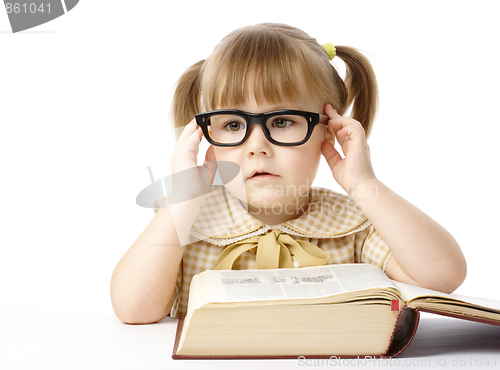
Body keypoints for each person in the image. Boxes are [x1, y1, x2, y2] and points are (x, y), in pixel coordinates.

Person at [110, 23, 467, 324]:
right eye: (233, 124)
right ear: (207, 138)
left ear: (328, 132)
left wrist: (363, 184)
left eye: (281, 122)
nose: (256, 146)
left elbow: (442, 276)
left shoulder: (353, 223)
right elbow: (133, 309)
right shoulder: (189, 219)